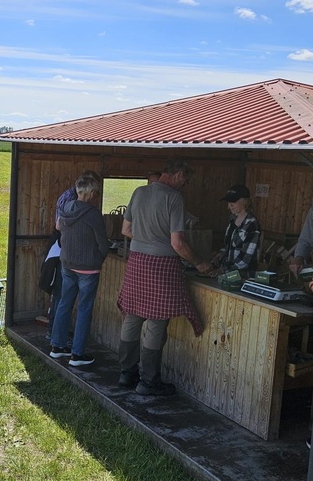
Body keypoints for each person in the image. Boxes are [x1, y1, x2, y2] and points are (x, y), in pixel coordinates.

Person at [116, 159, 213, 396]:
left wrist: (146, 239)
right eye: (186, 180)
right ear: (178, 174)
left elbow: (125, 230)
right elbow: (177, 243)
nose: (186, 185)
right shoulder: (174, 198)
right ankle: (148, 382)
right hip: (161, 264)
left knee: (133, 316)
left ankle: (126, 373)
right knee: (156, 321)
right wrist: (200, 262)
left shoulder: (139, 192)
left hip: (137, 261)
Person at [48, 174, 109, 367]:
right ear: (90, 192)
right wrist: (98, 259)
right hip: (88, 268)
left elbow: (59, 228)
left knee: (65, 304)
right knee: (84, 309)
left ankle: (56, 347)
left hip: (67, 263)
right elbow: (103, 243)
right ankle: (77, 354)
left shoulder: (66, 208)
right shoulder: (93, 214)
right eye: (96, 192)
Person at [212, 185, 262, 277]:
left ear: (244, 202)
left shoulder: (251, 224)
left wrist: (223, 270)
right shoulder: (232, 219)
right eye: (228, 202)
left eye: (233, 201)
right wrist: (222, 252)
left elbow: (245, 260)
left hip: (243, 276)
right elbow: (228, 243)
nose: (230, 205)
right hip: (228, 273)